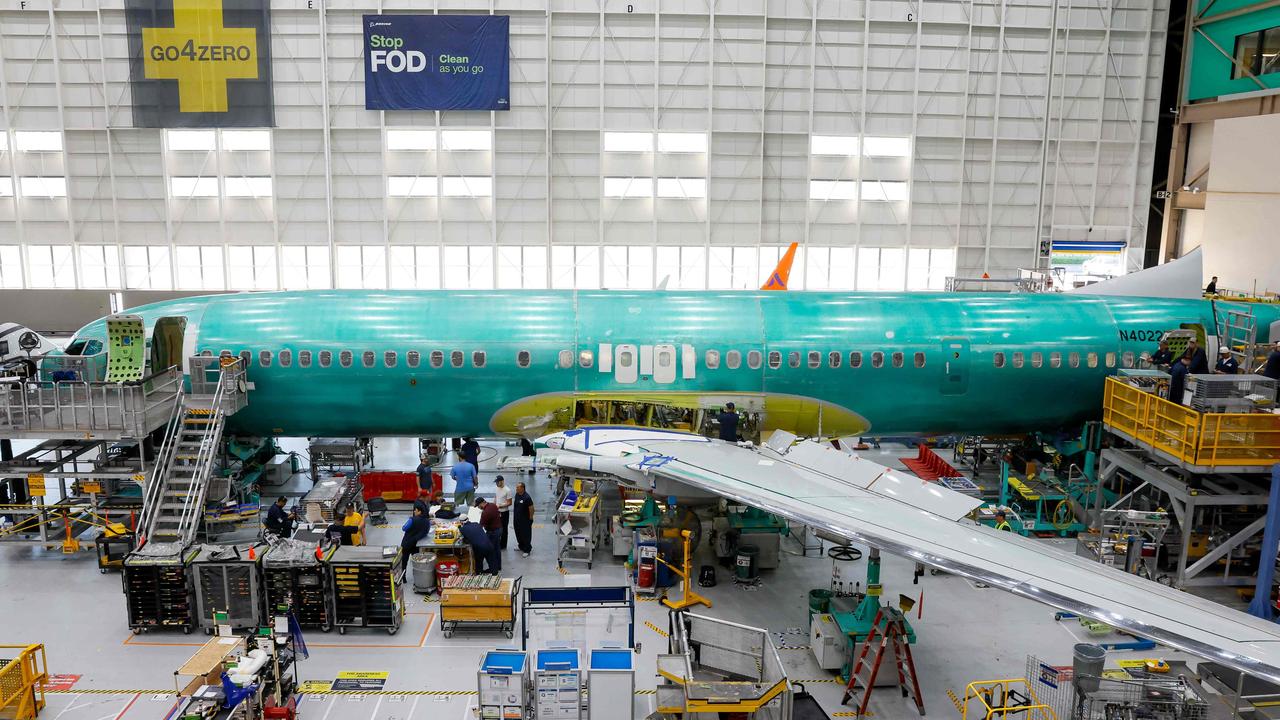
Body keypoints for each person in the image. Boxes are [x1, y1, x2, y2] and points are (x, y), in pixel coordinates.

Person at [477, 498, 503, 572]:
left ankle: (493, 568)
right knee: (497, 548)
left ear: (482, 503)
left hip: (493, 532)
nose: (479, 507)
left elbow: (480, 526)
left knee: (491, 550)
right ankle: (498, 566)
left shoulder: (486, 512)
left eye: (478, 506)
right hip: (499, 529)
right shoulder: (492, 505)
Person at [512, 482, 534, 557]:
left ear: (522, 488)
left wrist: (530, 518)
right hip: (517, 519)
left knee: (526, 535)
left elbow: (531, 508)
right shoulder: (517, 495)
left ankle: (527, 549)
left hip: (525, 520)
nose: (516, 489)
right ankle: (521, 546)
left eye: (517, 488)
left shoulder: (527, 497)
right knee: (518, 533)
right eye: (516, 488)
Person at [494, 476, 512, 550]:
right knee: (497, 528)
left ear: (502, 481)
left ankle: (503, 545)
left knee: (504, 529)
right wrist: (494, 505)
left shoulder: (507, 490)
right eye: (496, 482)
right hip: (497, 511)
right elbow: (496, 497)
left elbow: (510, 502)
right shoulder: (497, 488)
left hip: (504, 512)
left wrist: (501, 506)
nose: (496, 483)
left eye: (497, 482)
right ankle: (498, 542)